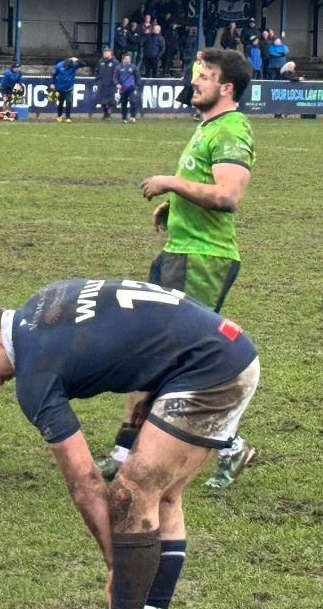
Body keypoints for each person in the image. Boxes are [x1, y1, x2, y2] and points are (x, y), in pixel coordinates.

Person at [0, 278, 259, 609]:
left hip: (211, 369)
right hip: (225, 347)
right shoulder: (47, 296)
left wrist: (117, 568)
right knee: (162, 495)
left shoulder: (34, 377)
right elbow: (138, 322)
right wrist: (155, 386)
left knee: (130, 494)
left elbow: (85, 482)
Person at [99, 49, 258, 491]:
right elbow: (206, 188)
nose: (195, 82)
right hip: (182, 251)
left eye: (206, 76)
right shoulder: (208, 126)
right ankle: (126, 452)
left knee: (169, 358)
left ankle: (225, 445)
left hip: (202, 258)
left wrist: (169, 183)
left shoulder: (230, 130)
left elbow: (227, 195)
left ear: (226, 88)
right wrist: (177, 207)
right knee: (153, 353)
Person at [49, 56, 85, 123]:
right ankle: (59, 116)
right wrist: (52, 83)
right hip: (60, 88)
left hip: (69, 88)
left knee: (69, 102)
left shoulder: (73, 65)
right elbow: (54, 75)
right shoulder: (59, 66)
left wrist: (77, 60)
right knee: (60, 103)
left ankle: (68, 117)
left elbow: (83, 64)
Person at [115, 53, 141, 123]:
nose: (128, 60)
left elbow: (138, 77)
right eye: (126, 59)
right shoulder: (118, 68)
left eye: (129, 59)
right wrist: (117, 84)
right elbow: (115, 78)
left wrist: (136, 85)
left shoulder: (133, 67)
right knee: (123, 103)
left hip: (131, 87)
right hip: (123, 88)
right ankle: (124, 117)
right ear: (123, 59)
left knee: (133, 101)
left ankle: (133, 116)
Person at [93, 49, 118, 120]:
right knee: (102, 101)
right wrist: (97, 79)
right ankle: (105, 113)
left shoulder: (115, 62)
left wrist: (115, 82)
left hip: (111, 85)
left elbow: (117, 73)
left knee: (110, 102)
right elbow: (96, 71)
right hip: (102, 84)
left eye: (106, 53)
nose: (105, 55)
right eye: (104, 53)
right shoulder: (101, 61)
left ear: (110, 53)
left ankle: (108, 115)